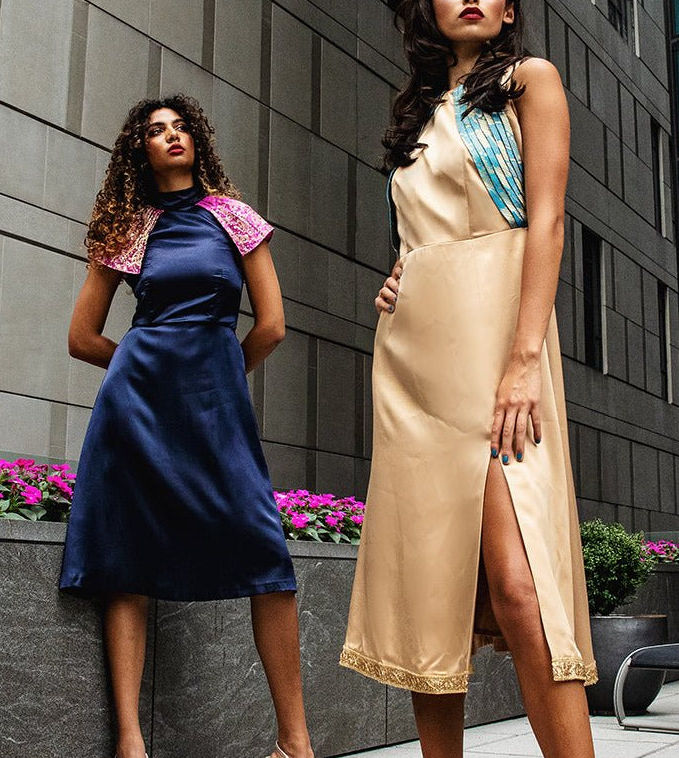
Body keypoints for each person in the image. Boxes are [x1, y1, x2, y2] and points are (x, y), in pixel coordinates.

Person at [341, 2, 598, 756]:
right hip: (415, 362)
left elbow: (543, 224)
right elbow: (419, 236)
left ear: (511, 9)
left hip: (499, 346)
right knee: (434, 584)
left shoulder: (528, 82)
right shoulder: (416, 111)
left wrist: (523, 361)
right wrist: (398, 280)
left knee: (521, 589)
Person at [59, 94, 314, 758]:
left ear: (197, 140)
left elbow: (272, 325)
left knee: (267, 554)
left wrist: (218, 374)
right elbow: (83, 338)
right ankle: (132, 744)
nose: (170, 137)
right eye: (154, 131)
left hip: (214, 409)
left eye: (179, 128)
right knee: (128, 562)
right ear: (139, 149)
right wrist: (146, 374)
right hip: (136, 409)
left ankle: (295, 743)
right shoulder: (125, 227)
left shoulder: (234, 218)